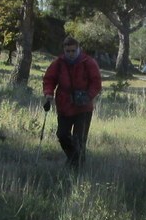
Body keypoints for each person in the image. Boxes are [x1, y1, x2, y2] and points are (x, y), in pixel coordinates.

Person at [42, 36, 103, 169]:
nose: (70, 54)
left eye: (73, 51)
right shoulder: (58, 63)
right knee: (62, 135)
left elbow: (96, 83)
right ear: (64, 50)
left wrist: (88, 96)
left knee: (79, 140)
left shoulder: (89, 62)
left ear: (79, 49)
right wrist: (48, 94)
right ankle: (74, 159)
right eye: (67, 51)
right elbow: (49, 79)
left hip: (84, 107)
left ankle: (77, 167)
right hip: (64, 106)